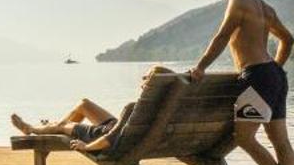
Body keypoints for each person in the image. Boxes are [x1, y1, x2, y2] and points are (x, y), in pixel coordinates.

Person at [188, 0, 294, 165]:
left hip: (258, 76)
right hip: (274, 76)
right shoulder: (265, 7)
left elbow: (222, 36)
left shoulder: (238, 0)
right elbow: (288, 40)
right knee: (280, 140)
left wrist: (200, 67)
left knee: (244, 137)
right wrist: (276, 67)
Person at [12, 65, 176, 153]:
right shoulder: (167, 105)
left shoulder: (138, 108)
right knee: (84, 104)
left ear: (153, 84)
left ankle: (33, 128)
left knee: (62, 127)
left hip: (106, 137)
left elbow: (111, 138)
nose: (142, 78)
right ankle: (56, 126)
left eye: (146, 77)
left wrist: (87, 147)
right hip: (118, 129)